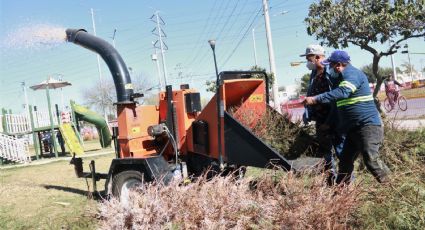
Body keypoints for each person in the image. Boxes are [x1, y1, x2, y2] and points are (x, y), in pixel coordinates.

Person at [304, 50, 390, 184]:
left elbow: (343, 93)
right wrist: (329, 123)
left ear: (338, 65)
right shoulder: (339, 79)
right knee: (345, 162)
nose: (329, 68)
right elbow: (338, 105)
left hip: (367, 126)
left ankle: (392, 185)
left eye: (330, 65)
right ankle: (340, 193)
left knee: (370, 158)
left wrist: (316, 99)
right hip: (352, 129)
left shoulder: (352, 74)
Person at [300, 44, 344, 184]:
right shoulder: (314, 74)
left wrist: (329, 122)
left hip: (334, 119)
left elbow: (336, 96)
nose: (307, 62)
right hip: (320, 120)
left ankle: (346, 183)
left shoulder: (331, 72)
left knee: (341, 151)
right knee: (325, 152)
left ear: (318, 57)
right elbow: (312, 94)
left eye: (309, 59)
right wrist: (307, 110)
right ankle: (331, 182)